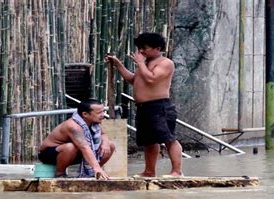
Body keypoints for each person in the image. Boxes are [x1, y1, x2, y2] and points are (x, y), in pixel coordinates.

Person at [105, 32, 183, 177]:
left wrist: (140, 63)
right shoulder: (145, 64)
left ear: (157, 48)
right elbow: (134, 79)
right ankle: (149, 171)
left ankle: (177, 171)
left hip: (160, 106)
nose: (141, 51)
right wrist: (118, 64)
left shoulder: (165, 63)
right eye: (140, 48)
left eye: (144, 48)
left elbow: (151, 79)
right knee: (149, 141)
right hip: (144, 108)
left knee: (168, 139)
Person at [38, 99, 115, 179]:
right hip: (49, 154)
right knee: (70, 147)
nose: (103, 115)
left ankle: (92, 173)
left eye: (103, 111)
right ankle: (60, 174)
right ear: (85, 114)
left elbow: (103, 134)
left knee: (110, 145)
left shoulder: (93, 123)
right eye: (99, 113)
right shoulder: (73, 126)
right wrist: (96, 167)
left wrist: (105, 142)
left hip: (75, 152)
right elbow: (84, 147)